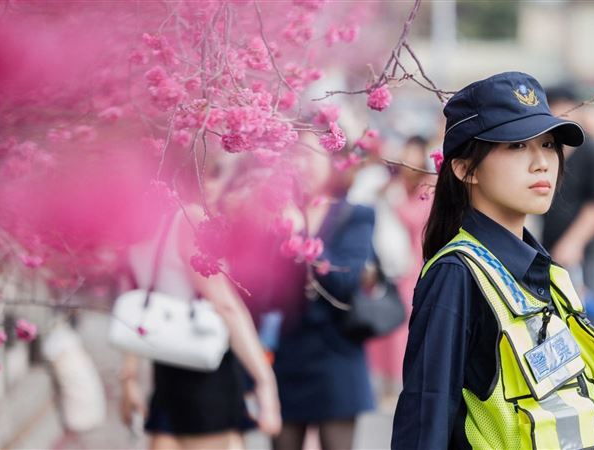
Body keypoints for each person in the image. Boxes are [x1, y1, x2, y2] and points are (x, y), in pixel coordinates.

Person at [392, 72, 594, 450]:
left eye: (548, 145)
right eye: (516, 146)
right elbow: (424, 421)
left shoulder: (542, 269)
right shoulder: (457, 274)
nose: (541, 163)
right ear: (465, 168)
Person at [119, 158, 282, 449]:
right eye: (214, 172)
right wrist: (265, 381)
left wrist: (128, 377)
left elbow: (134, 306)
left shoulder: (140, 226)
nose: (214, 184)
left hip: (165, 368)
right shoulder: (189, 220)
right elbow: (226, 306)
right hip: (205, 371)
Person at [270, 135, 376, 450]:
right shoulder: (278, 216)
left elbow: (345, 282)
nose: (302, 165)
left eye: (311, 155)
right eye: (296, 156)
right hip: (289, 354)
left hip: (337, 354)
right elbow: (265, 293)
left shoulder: (355, 215)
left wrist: (300, 237)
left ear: (333, 162)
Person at [367, 135, 434, 407]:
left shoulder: (429, 187)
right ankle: (385, 381)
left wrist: (393, 202)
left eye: (415, 153)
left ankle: (399, 382)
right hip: (392, 265)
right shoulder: (391, 187)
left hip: (416, 264)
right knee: (386, 321)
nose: (410, 159)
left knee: (404, 325)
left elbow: (416, 217)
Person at [541, 85, 594, 297]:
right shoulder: (544, 151)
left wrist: (573, 242)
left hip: (583, 254)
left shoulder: (592, 151)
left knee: (586, 315)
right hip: (547, 248)